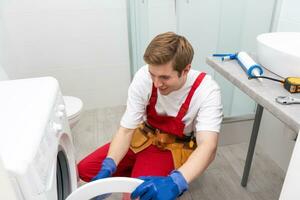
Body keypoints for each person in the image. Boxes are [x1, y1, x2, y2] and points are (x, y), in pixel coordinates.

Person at [78, 32, 223, 200]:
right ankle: (132, 173)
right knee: (84, 171)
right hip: (141, 137)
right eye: (152, 74)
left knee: (134, 197)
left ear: (186, 70)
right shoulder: (143, 77)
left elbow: (208, 146)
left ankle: (138, 177)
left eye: (164, 77)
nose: (156, 83)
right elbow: (126, 131)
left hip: (170, 148)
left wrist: (176, 182)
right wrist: (109, 166)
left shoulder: (206, 90)